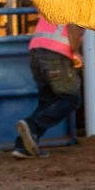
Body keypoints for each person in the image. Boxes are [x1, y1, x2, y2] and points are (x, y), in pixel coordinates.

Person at [12, 16, 84, 159]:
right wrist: (75, 52)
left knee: (48, 101)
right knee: (71, 98)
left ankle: (23, 147)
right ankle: (32, 126)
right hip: (56, 54)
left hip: (36, 52)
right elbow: (73, 25)